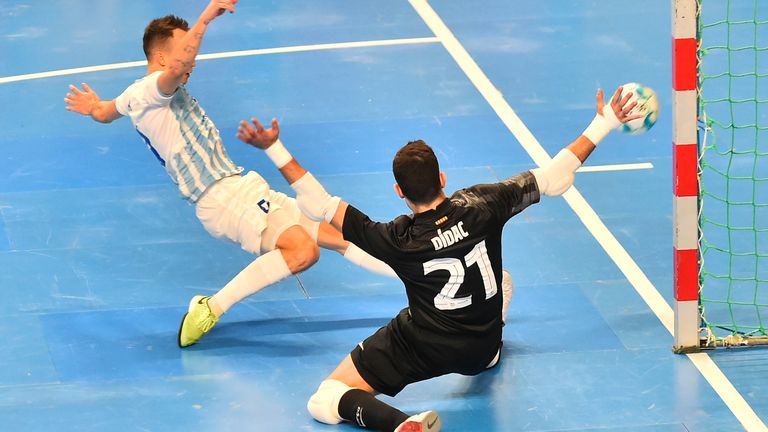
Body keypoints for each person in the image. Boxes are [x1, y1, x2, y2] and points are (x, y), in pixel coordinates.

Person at [235, 86, 641, 431]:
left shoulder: (395, 239)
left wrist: (274, 146)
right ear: (443, 179)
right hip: (480, 349)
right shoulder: (484, 203)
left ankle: (398, 424)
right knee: (503, 281)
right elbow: (553, 177)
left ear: (398, 191)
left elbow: (319, 204)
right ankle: (490, 344)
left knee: (325, 399)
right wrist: (603, 122)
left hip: (422, 345)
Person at [63, 0, 398, 348]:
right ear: (161, 57)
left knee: (336, 234)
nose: (191, 60)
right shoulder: (150, 91)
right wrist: (206, 18)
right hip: (220, 197)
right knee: (303, 252)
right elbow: (179, 66)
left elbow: (105, 112)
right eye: (182, 48)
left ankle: (415, 283)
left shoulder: (137, 96)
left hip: (240, 184)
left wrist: (93, 107)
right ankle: (212, 307)